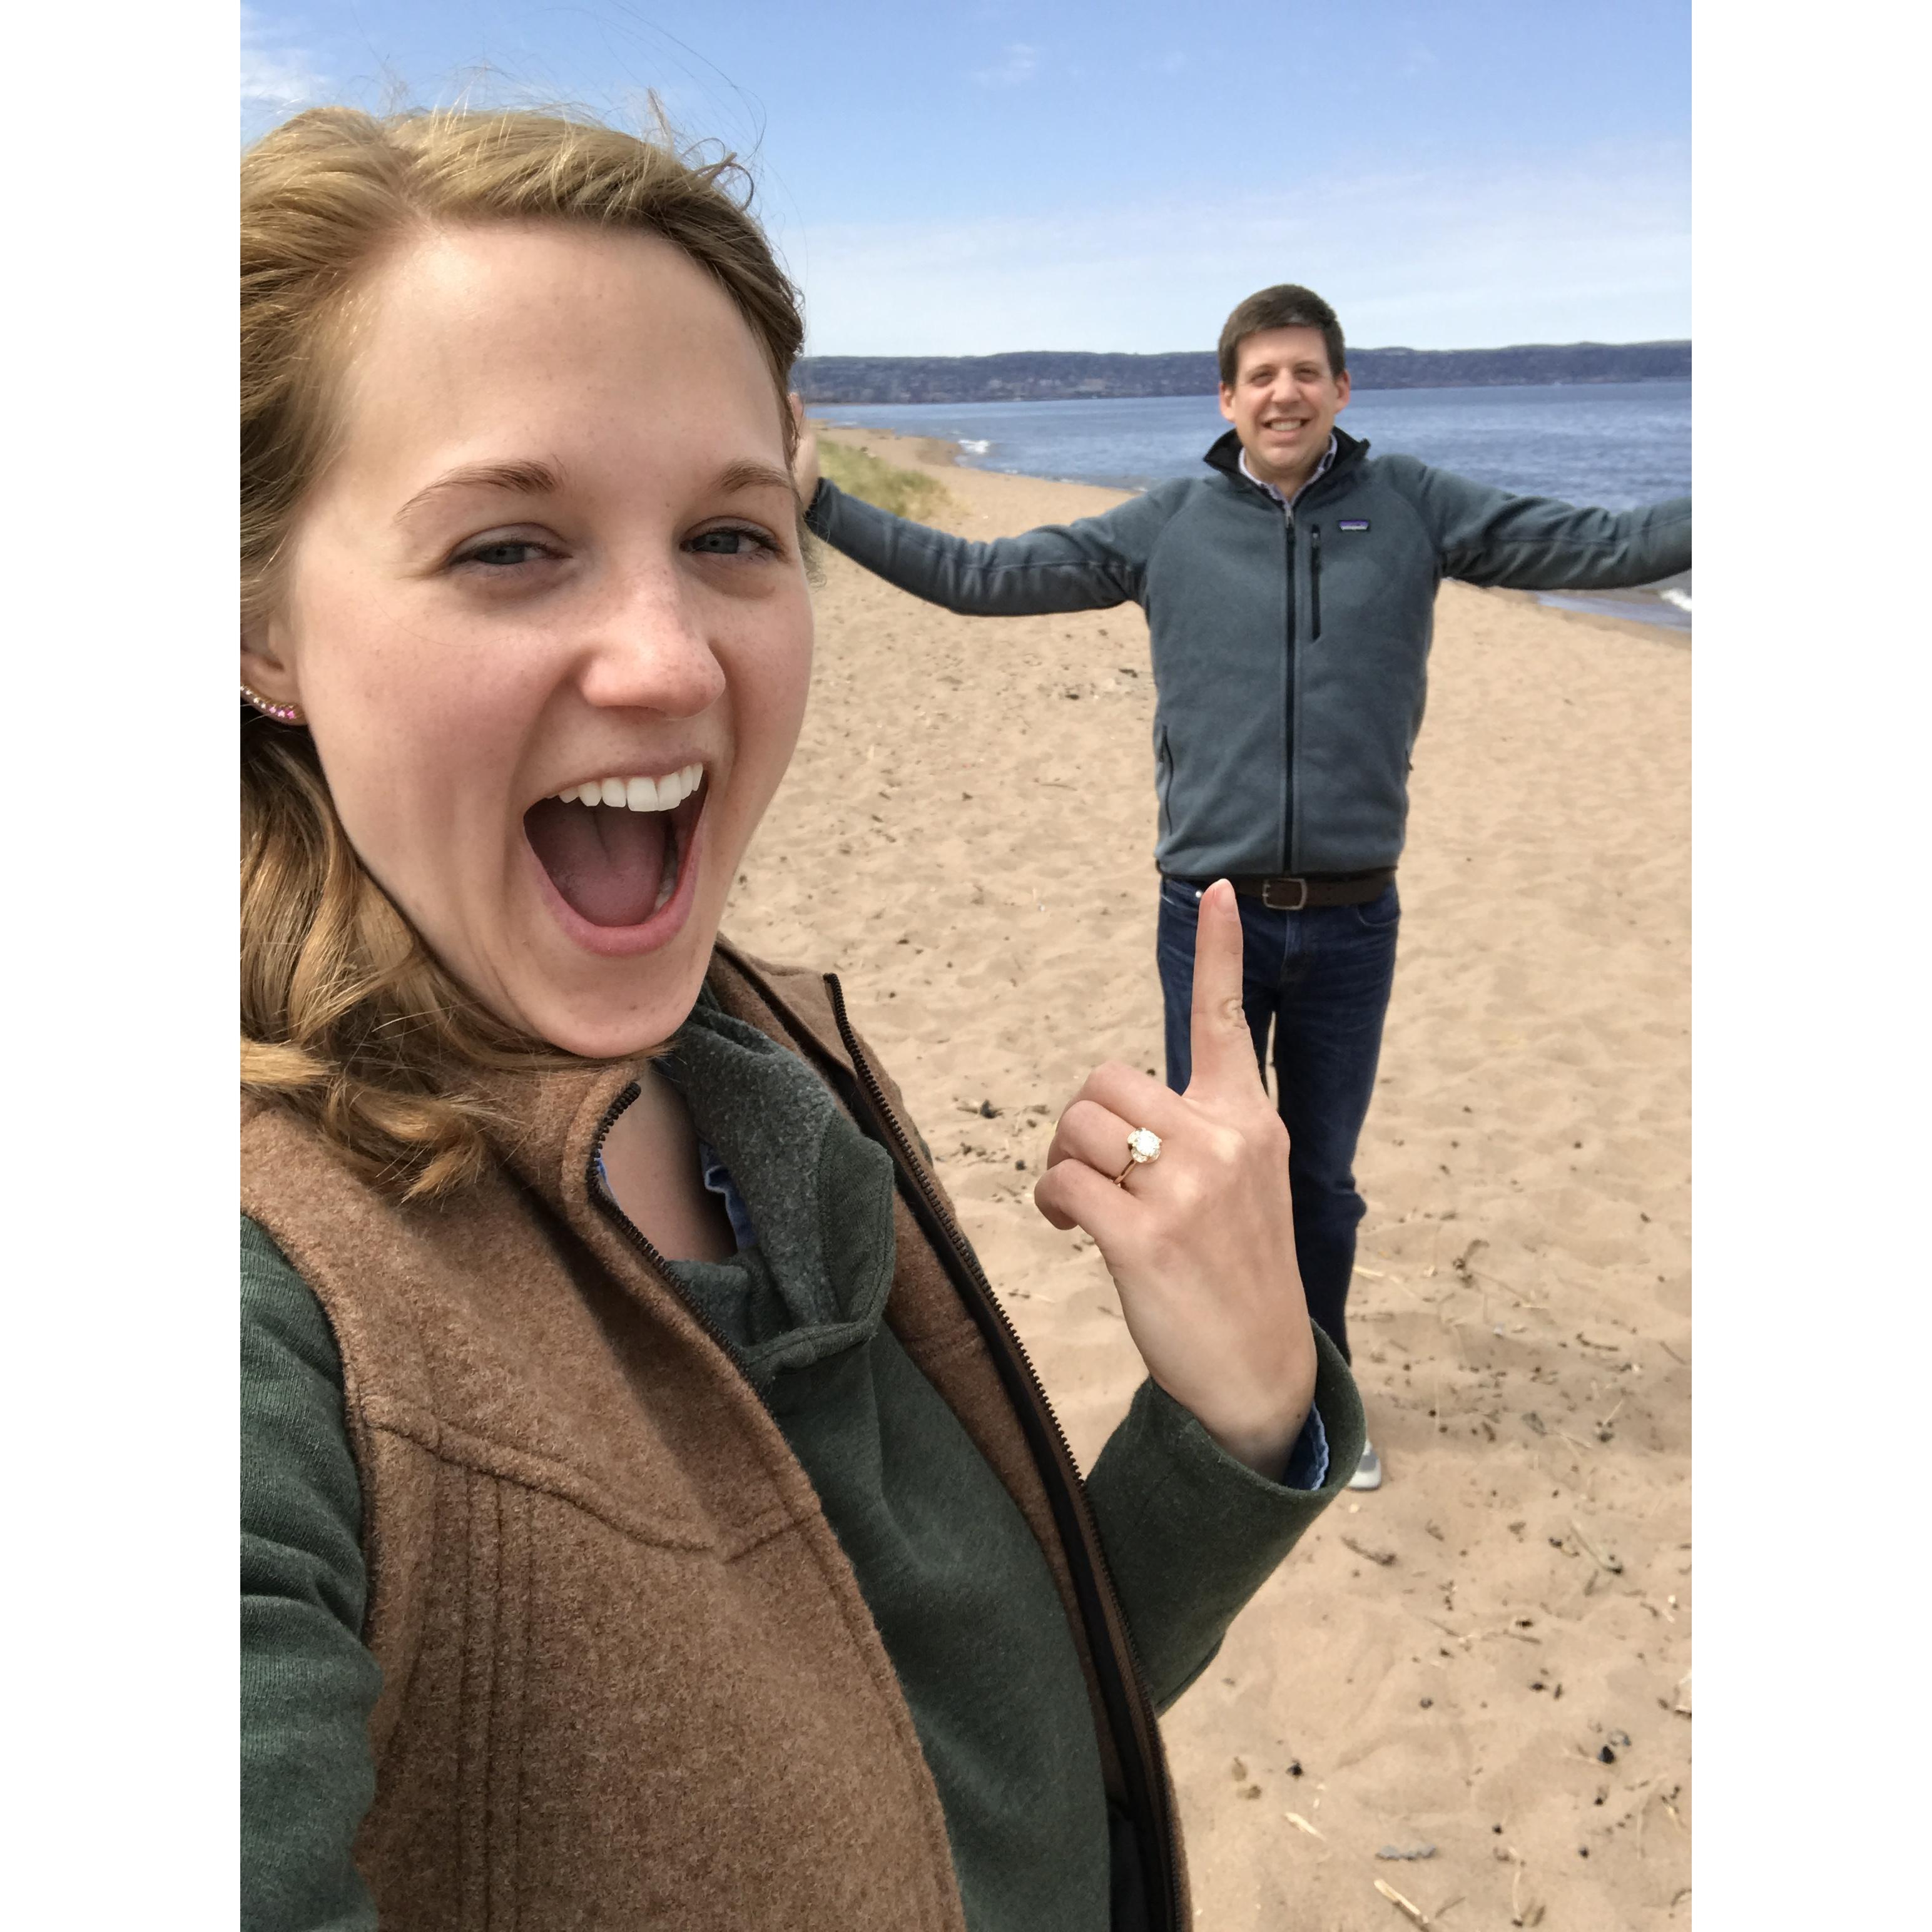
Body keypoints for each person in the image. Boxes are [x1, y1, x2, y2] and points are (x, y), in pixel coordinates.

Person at [240, 108, 1365, 1932]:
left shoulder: (754, 1061)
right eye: (511, 547)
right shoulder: (261, 1293)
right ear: (258, 622)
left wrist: (1239, 1420)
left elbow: (939, 1749)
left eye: (730, 535)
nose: (673, 658)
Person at [793, 285, 1693, 1490]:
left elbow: (1601, 549)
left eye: (1307, 372)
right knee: (1209, 1172)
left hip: (1354, 918)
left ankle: (1323, 1392)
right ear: (1226, 398)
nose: (1284, 392)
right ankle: (1223, 1387)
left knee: (1320, 1180)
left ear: (1341, 390)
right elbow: (978, 576)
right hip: (1207, 923)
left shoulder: (1412, 505)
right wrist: (820, 503)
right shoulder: (1170, 526)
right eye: (1261, 375)